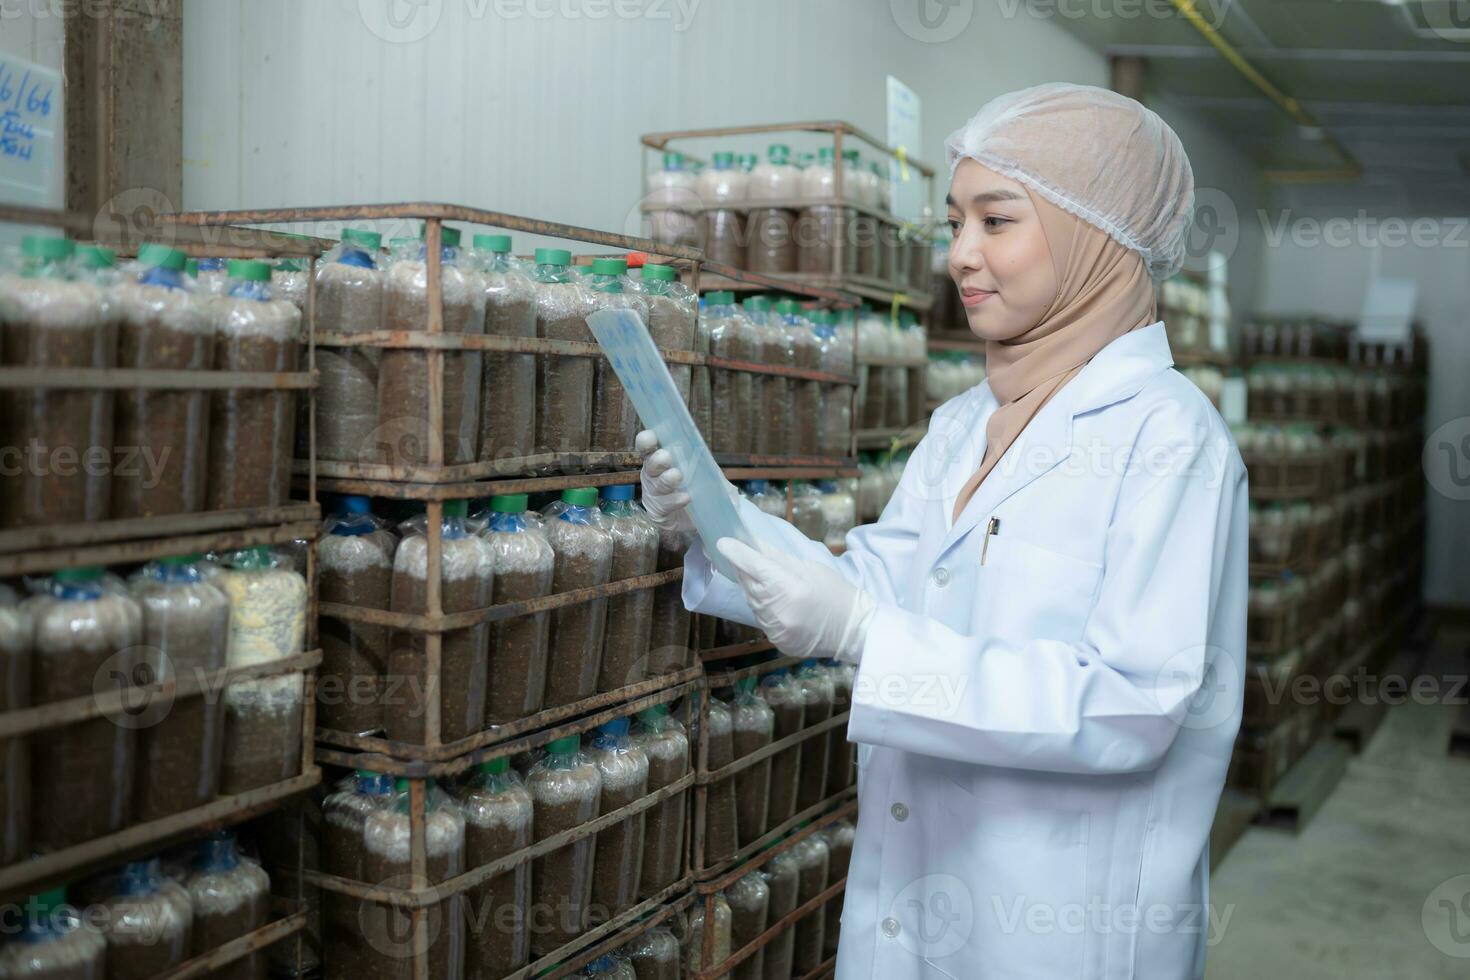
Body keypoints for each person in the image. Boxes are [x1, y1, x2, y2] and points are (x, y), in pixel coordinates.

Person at [636, 82, 1247, 979]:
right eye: (955, 222)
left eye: (996, 221)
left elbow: (1131, 705)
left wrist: (865, 637)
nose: (960, 255)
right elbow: (882, 582)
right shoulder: (971, 420)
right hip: (919, 899)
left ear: (1096, 238)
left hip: (1058, 929)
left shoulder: (1169, 438)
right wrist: (715, 528)